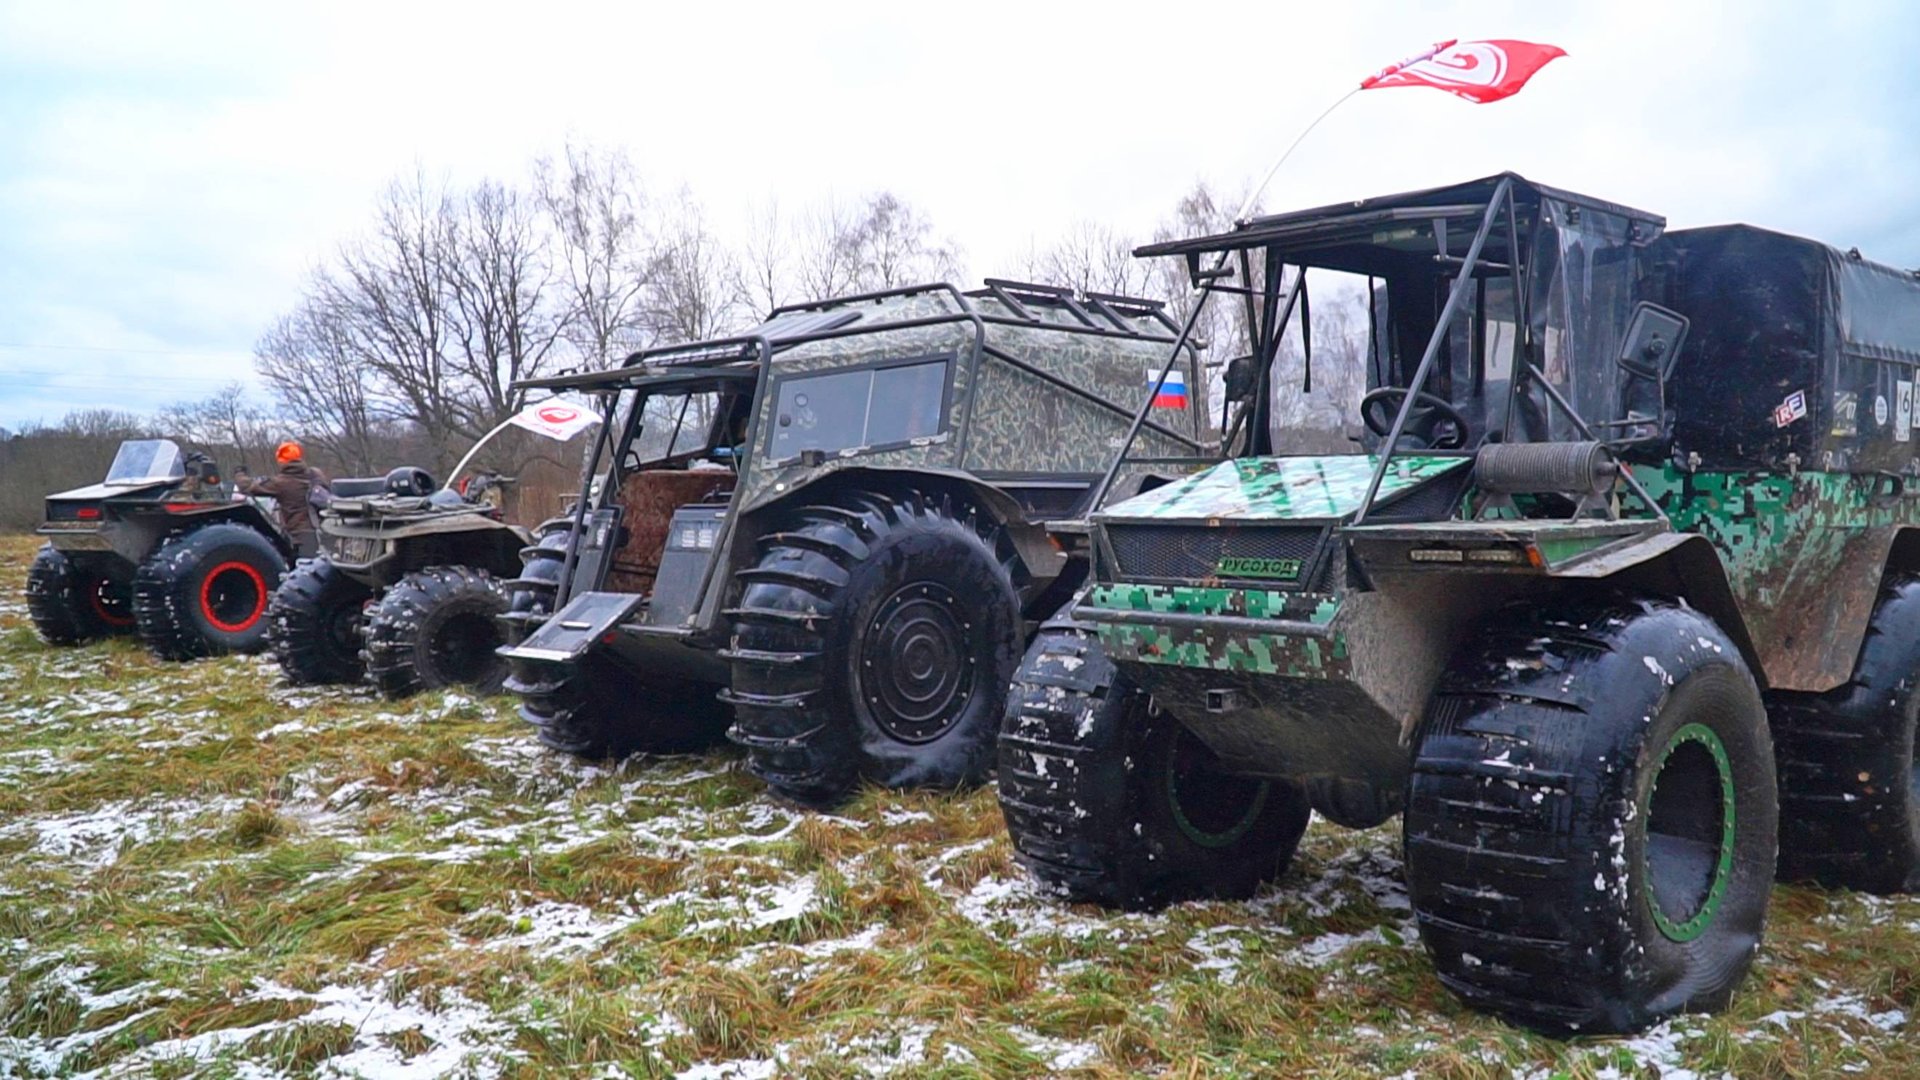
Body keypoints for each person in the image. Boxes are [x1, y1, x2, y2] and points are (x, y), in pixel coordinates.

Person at [235, 441, 332, 559]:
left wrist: (239, 474)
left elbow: (248, 487)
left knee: (303, 572)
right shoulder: (315, 474)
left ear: (281, 461)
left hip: (299, 536)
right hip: (323, 532)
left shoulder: (281, 483)